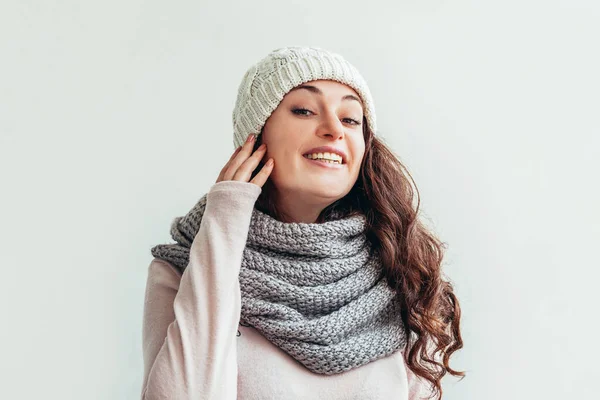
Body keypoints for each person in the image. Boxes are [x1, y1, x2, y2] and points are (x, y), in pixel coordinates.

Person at [140, 46, 464, 400]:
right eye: (304, 110)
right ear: (255, 136)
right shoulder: (182, 268)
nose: (333, 129)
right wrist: (225, 218)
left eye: (351, 119)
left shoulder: (402, 269)